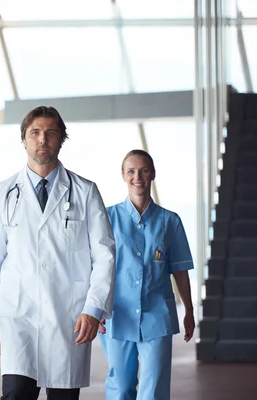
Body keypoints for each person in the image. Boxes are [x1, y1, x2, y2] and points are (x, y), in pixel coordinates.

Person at [0, 106, 116, 400]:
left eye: (51, 133)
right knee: (15, 394)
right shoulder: (2, 193)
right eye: (35, 133)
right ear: (24, 140)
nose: (43, 139)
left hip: (68, 315)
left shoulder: (85, 191)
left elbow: (104, 256)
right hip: (18, 316)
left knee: (63, 397)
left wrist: (93, 309)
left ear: (61, 140)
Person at [98, 149, 195, 400]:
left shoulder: (170, 221)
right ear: (123, 175)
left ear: (153, 174)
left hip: (157, 316)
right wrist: (94, 308)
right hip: (117, 315)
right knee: (120, 387)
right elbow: (96, 267)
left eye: (143, 170)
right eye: (131, 171)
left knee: (154, 390)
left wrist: (190, 312)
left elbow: (180, 271)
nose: (137, 177)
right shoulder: (107, 218)